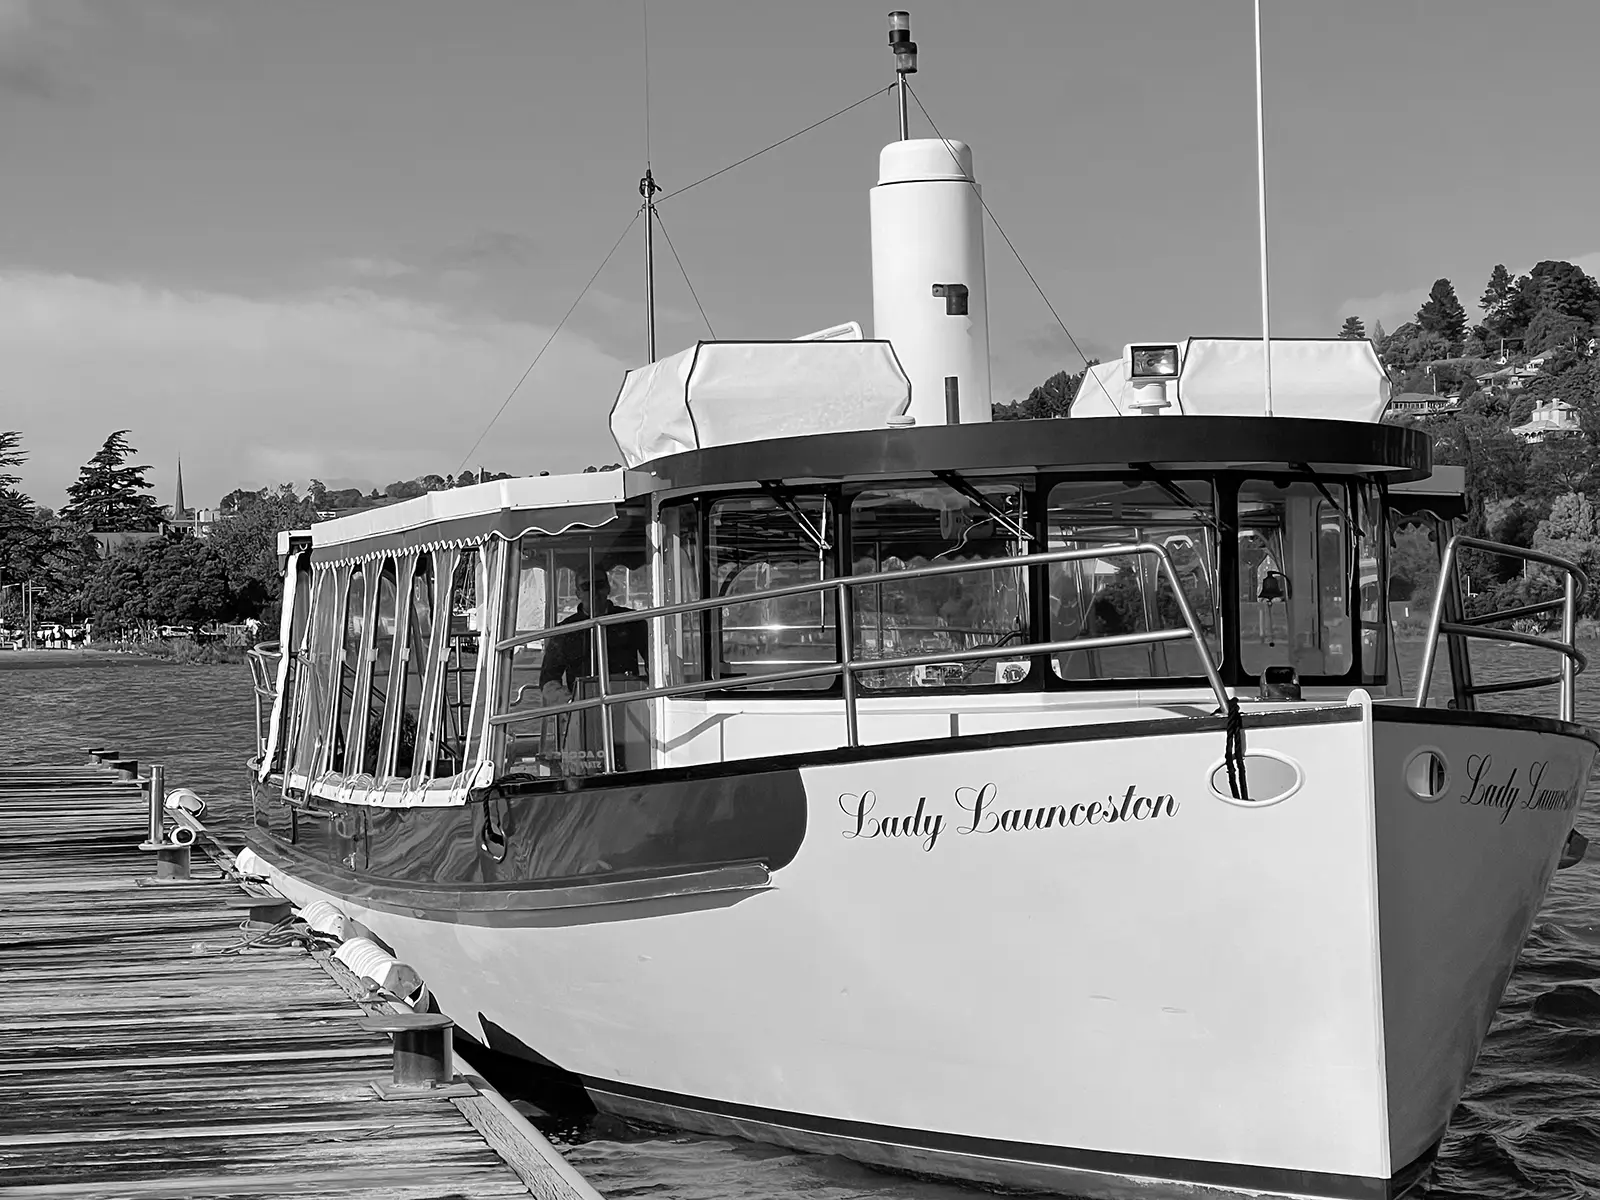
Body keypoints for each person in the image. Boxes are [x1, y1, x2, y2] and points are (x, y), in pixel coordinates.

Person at [539, 573, 647, 705]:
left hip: (629, 703)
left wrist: (647, 691)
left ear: (608, 588)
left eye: (599, 585)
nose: (594, 592)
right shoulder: (564, 631)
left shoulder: (632, 622)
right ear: (578, 593)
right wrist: (570, 703)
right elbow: (548, 680)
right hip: (582, 707)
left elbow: (654, 662)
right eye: (586, 587)